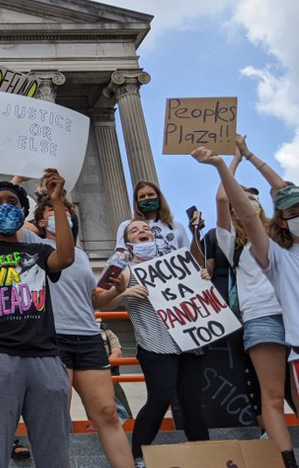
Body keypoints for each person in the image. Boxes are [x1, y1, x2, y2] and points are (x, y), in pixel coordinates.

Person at [0, 170, 75, 468]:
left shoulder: (39, 251)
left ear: (24, 211)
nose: (5, 206)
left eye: (12, 202)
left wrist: (57, 202)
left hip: (46, 359)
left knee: (56, 453)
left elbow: (65, 257)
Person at [193, 143, 299, 468]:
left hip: (293, 316)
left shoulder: (284, 239)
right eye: (242, 197)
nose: (248, 200)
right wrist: (231, 162)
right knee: (273, 395)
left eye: (253, 196)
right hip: (262, 316)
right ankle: (286, 461)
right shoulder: (231, 240)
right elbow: (225, 200)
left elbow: (286, 194)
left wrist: (251, 155)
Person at [24, 196, 134, 468]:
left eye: (66, 211)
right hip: (53, 338)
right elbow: (2, 221)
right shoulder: (34, 244)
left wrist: (116, 290)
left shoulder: (82, 255)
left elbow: (92, 300)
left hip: (88, 338)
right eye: (53, 211)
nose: (62, 214)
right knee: (56, 417)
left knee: (108, 413)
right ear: (40, 222)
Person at [105, 219, 209, 467]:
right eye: (134, 230)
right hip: (154, 343)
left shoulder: (177, 263)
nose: (142, 231)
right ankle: (137, 457)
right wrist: (124, 293)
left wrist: (203, 277)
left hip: (188, 342)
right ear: (127, 241)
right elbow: (101, 301)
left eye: (146, 229)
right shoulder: (122, 268)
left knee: (192, 403)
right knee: (160, 399)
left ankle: (206, 457)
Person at [115, 181, 189, 256]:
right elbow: (121, 256)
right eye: (142, 196)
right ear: (136, 201)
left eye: (150, 194)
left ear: (159, 198)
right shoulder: (127, 226)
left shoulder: (176, 226)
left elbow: (189, 255)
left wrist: (194, 233)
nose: (147, 198)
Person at [99, 323, 133, 421]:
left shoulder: (106, 332)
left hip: (107, 371)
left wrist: (102, 368)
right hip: (88, 373)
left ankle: (127, 420)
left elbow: (117, 353)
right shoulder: (78, 332)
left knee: (119, 401)